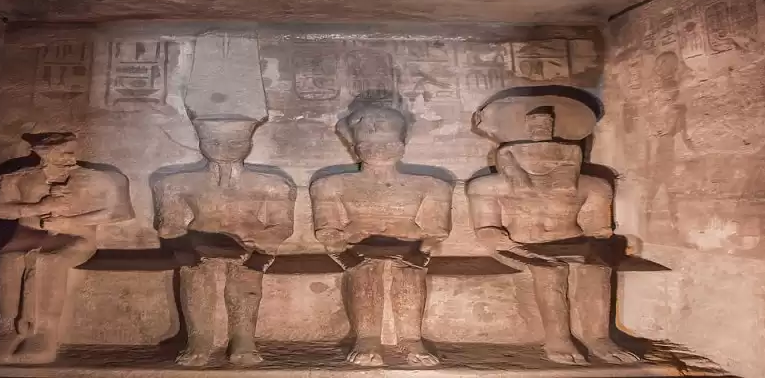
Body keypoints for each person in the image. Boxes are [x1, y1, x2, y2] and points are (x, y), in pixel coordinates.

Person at [468, 97, 641, 365]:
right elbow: (486, 230)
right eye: (533, 154)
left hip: (573, 241)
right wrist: (509, 244)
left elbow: (598, 230)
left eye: (551, 155)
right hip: (519, 245)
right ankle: (558, 339)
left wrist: (600, 248)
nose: (542, 161)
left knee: (597, 269)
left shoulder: (593, 186)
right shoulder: (488, 186)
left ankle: (598, 338)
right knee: (550, 270)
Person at [311, 105, 451, 367]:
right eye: (369, 144)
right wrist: (344, 249)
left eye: (388, 143)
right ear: (356, 147)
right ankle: (367, 338)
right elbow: (327, 230)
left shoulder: (431, 186)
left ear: (401, 146)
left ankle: (411, 339)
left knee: (409, 272)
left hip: (409, 248)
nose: (379, 149)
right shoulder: (329, 185)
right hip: (357, 248)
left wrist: (420, 249)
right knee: (365, 271)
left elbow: (436, 231)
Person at [0, 132, 134, 364]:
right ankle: (7, 330)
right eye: (61, 153)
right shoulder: (16, 178)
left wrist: (69, 222)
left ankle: (44, 332)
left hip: (76, 235)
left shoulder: (97, 179)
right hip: (27, 235)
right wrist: (37, 208)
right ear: (42, 154)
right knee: (10, 259)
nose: (68, 158)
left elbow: (115, 212)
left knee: (51, 261)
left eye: (70, 152)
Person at [154, 115, 294, 366]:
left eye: (234, 142)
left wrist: (258, 242)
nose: (224, 148)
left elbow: (281, 226)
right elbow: (169, 226)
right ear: (201, 142)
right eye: (214, 141)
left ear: (249, 143)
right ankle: (199, 339)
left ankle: (243, 340)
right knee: (195, 276)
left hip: (250, 244)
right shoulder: (176, 183)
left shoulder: (272, 185)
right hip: (199, 244)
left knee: (247, 277)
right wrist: (189, 246)